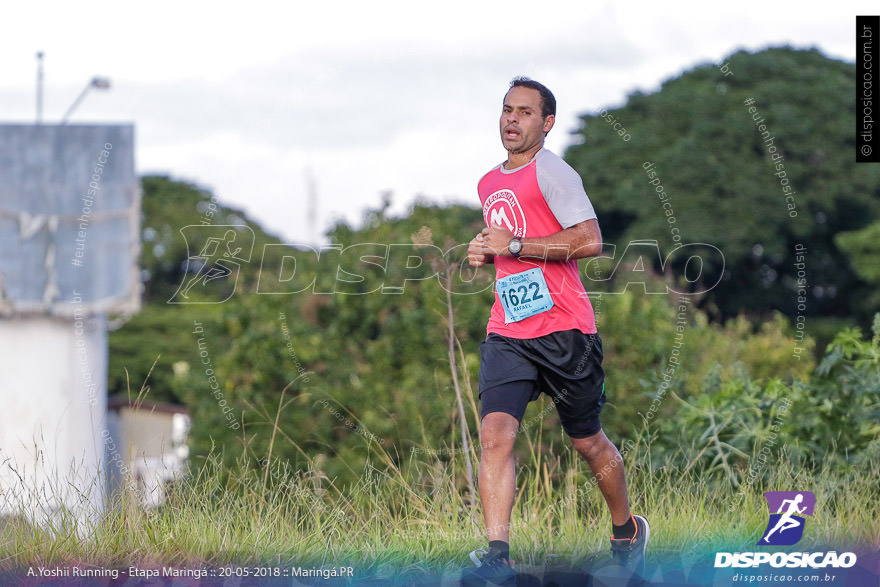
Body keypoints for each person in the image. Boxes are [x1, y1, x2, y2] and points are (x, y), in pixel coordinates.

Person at [465, 77, 648, 582]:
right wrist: (484, 251)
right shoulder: (487, 182)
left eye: (525, 112)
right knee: (495, 435)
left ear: (546, 124)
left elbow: (589, 241)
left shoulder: (554, 172)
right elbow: (505, 244)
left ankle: (626, 529)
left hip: (565, 330)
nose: (511, 119)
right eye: (507, 109)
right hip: (508, 329)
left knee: (587, 441)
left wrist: (516, 245)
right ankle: (497, 555)